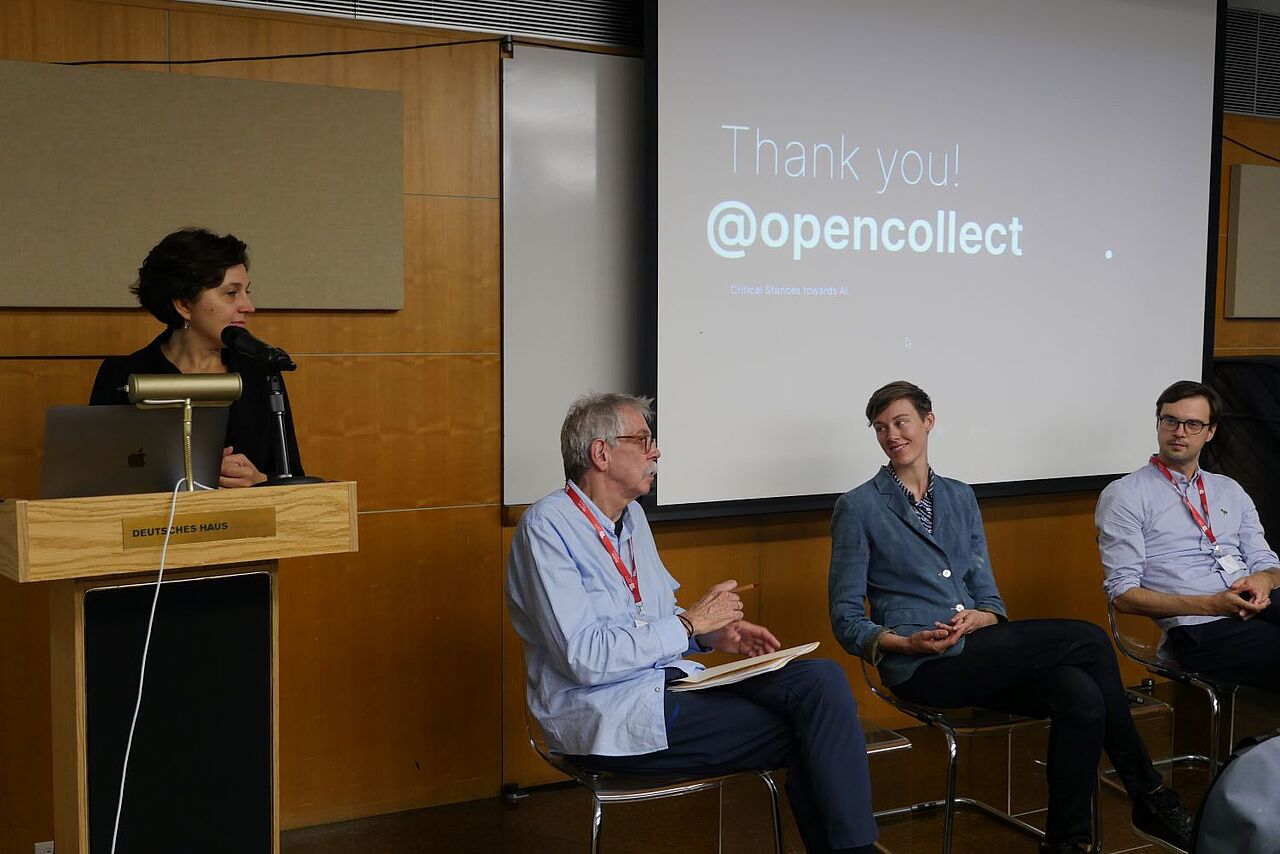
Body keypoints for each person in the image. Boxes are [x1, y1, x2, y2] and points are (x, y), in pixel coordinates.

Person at [828, 380, 1193, 854]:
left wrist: (985, 617)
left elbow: (989, 596)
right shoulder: (857, 507)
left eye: (901, 422)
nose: (892, 435)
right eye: (881, 428)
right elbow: (844, 616)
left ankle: (1067, 844)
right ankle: (1147, 791)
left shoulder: (960, 497)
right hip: (922, 668)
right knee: (1088, 640)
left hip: (980, 652)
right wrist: (902, 643)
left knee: (1082, 696)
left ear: (928, 422)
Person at [507, 392, 878, 854]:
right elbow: (584, 657)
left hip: (671, 684)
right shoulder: (546, 528)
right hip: (608, 714)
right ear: (600, 454)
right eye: (642, 440)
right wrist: (687, 625)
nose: (655, 451)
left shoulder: (633, 518)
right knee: (810, 729)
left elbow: (655, 616)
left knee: (820, 679)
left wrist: (709, 635)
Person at [1096, 380, 1280, 694]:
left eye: (1193, 424)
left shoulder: (1229, 489)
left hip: (1257, 602)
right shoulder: (1125, 495)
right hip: (1201, 625)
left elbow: (1268, 563)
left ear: (1210, 432)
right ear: (1158, 424)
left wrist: (1263, 580)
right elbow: (1122, 595)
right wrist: (1211, 605)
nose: (1180, 432)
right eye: (1171, 421)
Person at [89, 228, 305, 487]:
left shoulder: (260, 372)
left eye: (247, 291)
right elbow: (100, 483)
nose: (249, 306)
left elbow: (292, 478)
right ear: (184, 304)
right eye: (231, 293)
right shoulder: (123, 375)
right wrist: (190, 473)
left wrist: (260, 480)